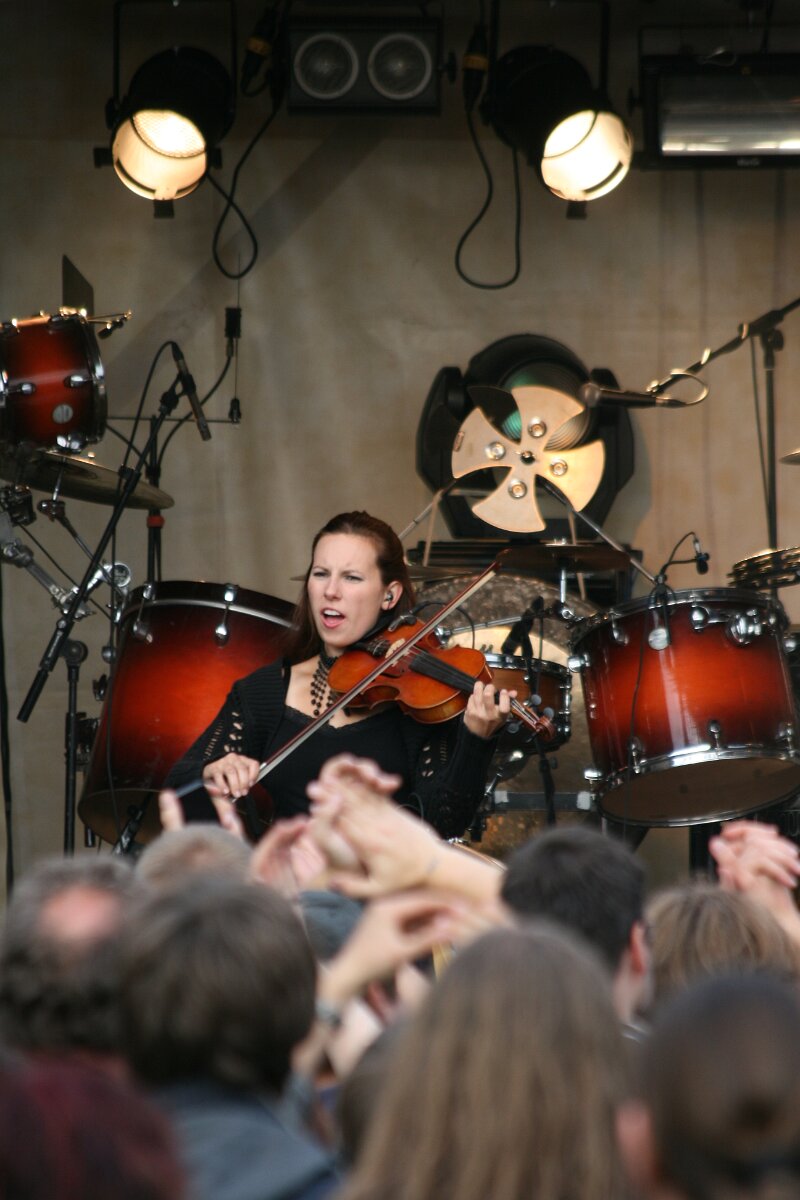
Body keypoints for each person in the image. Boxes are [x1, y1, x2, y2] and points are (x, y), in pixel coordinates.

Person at [166, 511, 510, 839]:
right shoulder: (265, 692)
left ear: (389, 595)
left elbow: (446, 822)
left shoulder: (416, 701)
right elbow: (175, 788)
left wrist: (475, 741)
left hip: (382, 879)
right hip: (287, 876)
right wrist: (210, 771)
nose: (331, 590)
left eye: (351, 577)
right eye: (321, 573)